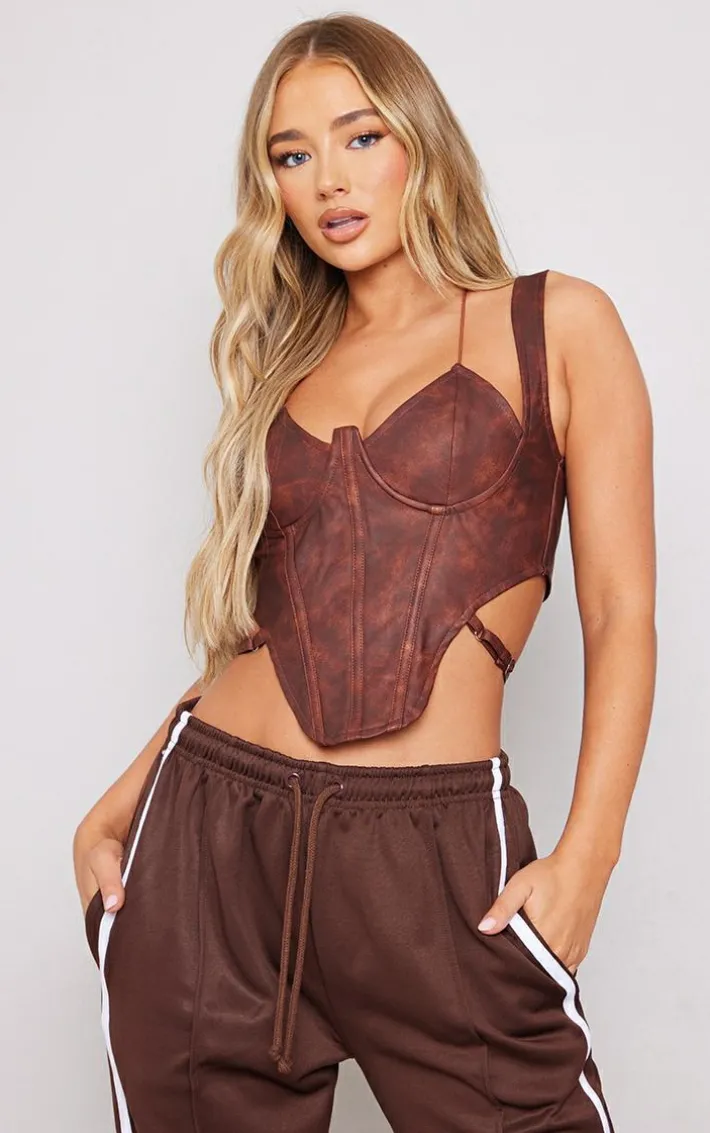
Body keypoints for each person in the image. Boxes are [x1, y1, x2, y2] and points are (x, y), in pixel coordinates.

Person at [73, 13, 656, 1133]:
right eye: (291, 155)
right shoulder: (285, 361)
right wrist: (124, 794)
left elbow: (621, 611)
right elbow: (259, 626)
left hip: (426, 857)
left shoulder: (556, 323)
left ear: (419, 137)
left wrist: (590, 851)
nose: (328, 180)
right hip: (206, 843)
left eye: (359, 136)